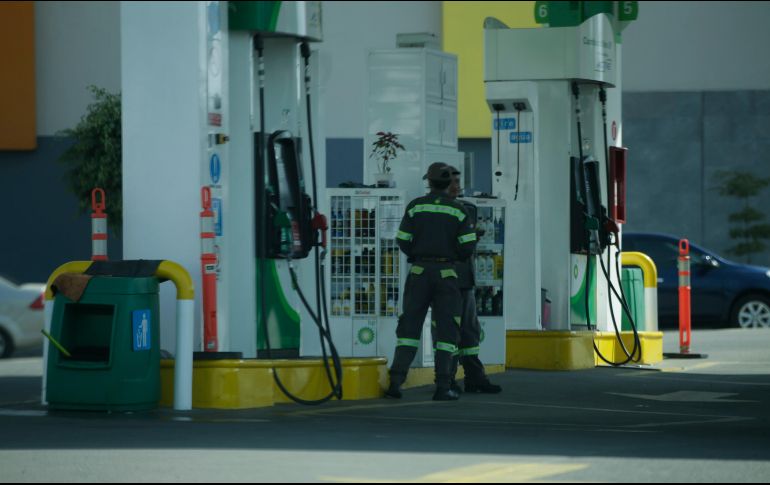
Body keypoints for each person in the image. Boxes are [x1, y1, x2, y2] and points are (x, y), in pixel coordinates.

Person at [385, 163, 478, 401]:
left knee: (409, 329)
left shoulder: (416, 206)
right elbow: (468, 245)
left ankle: (396, 381)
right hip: (446, 274)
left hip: (419, 272)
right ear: (448, 183)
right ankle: (443, 386)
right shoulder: (459, 210)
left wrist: (417, 255)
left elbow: (402, 239)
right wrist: (451, 256)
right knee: (447, 330)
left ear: (429, 182)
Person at [444, 166, 502, 394]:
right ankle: (447, 379)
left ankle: (474, 378)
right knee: (448, 333)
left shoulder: (465, 208)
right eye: (452, 182)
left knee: (470, 331)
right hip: (448, 280)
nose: (457, 186)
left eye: (458, 182)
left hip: (465, 279)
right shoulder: (440, 210)